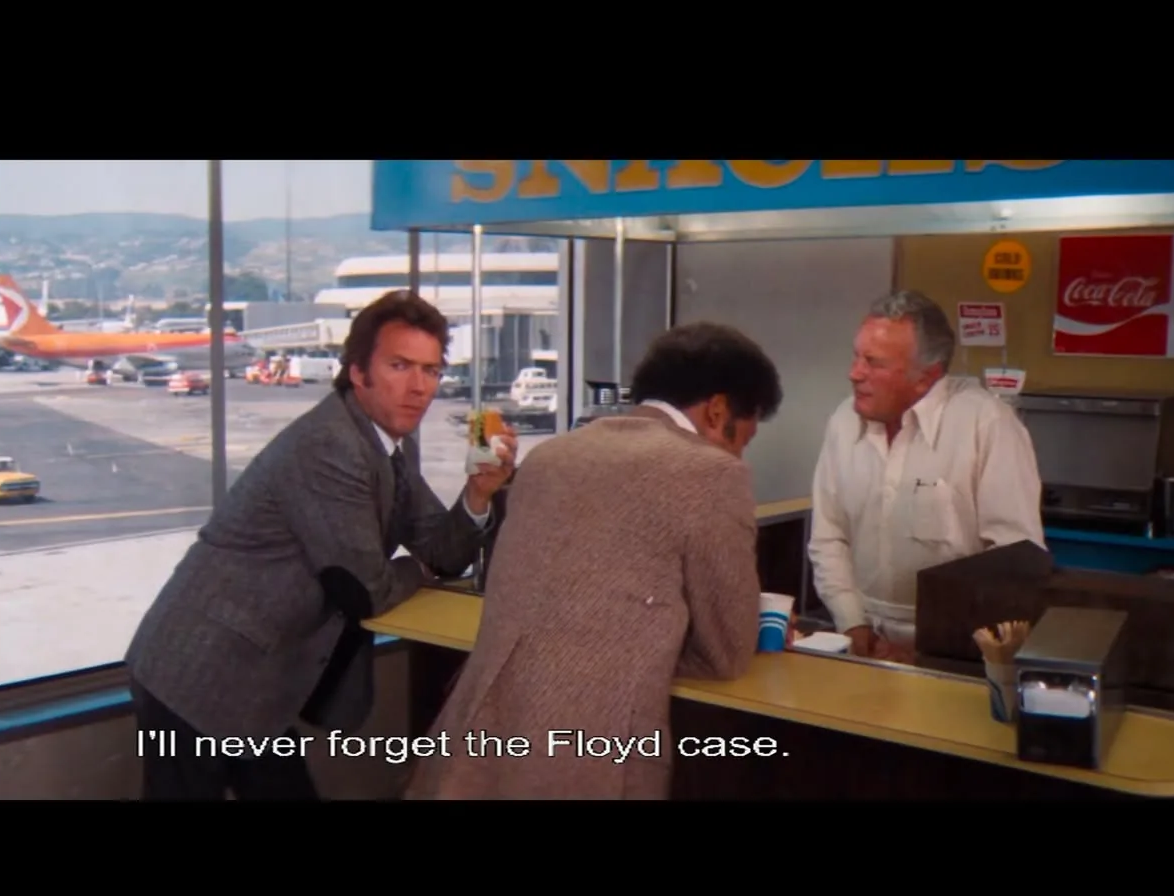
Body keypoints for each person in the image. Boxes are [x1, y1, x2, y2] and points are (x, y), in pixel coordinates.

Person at [125, 289, 517, 800]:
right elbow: (364, 592)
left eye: (431, 371)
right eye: (400, 365)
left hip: (260, 684)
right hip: (199, 671)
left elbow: (442, 551)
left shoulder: (389, 444)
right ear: (358, 372)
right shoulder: (332, 446)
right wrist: (416, 571)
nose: (419, 387)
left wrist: (478, 494)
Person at [405, 322, 783, 801]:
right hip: (590, 755)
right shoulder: (713, 475)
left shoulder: (551, 457)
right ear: (717, 410)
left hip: (475, 739)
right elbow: (725, 653)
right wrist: (645, 647)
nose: (738, 452)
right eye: (741, 438)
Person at [807, 290, 1045, 664]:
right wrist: (852, 623)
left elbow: (1014, 560)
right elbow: (828, 535)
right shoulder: (842, 421)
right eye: (856, 356)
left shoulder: (987, 425)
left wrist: (938, 645)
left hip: (957, 649)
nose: (855, 373)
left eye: (874, 362)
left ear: (927, 377)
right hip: (859, 638)